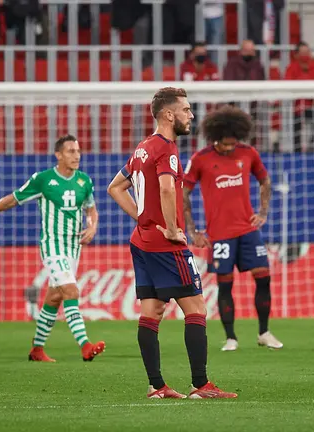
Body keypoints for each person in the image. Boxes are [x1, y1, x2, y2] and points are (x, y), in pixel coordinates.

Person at [107, 87, 237, 400]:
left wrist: (143, 220)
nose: (191, 116)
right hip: (164, 243)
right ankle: (201, 385)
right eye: (187, 110)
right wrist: (170, 227)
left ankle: (157, 386)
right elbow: (166, 190)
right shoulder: (166, 148)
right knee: (196, 309)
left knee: (151, 312)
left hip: (141, 241)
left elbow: (116, 187)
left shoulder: (142, 148)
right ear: (169, 114)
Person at [0, 135, 106, 363]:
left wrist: (92, 227)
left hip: (74, 247)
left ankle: (37, 350)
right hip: (52, 245)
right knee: (71, 291)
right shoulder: (43, 180)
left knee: (54, 298)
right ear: (58, 155)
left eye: (78, 151)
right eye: (71, 151)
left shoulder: (84, 181)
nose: (76, 155)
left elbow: (91, 209)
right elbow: (13, 199)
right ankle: (85, 346)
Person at [182, 106, 283, 352]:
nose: (229, 148)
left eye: (232, 143)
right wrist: (193, 230)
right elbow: (184, 192)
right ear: (214, 137)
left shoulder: (248, 153)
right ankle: (231, 338)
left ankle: (264, 332)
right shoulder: (200, 159)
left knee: (264, 278)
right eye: (225, 144)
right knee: (225, 285)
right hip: (220, 236)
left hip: (248, 231)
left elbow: (265, 180)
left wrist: (262, 212)